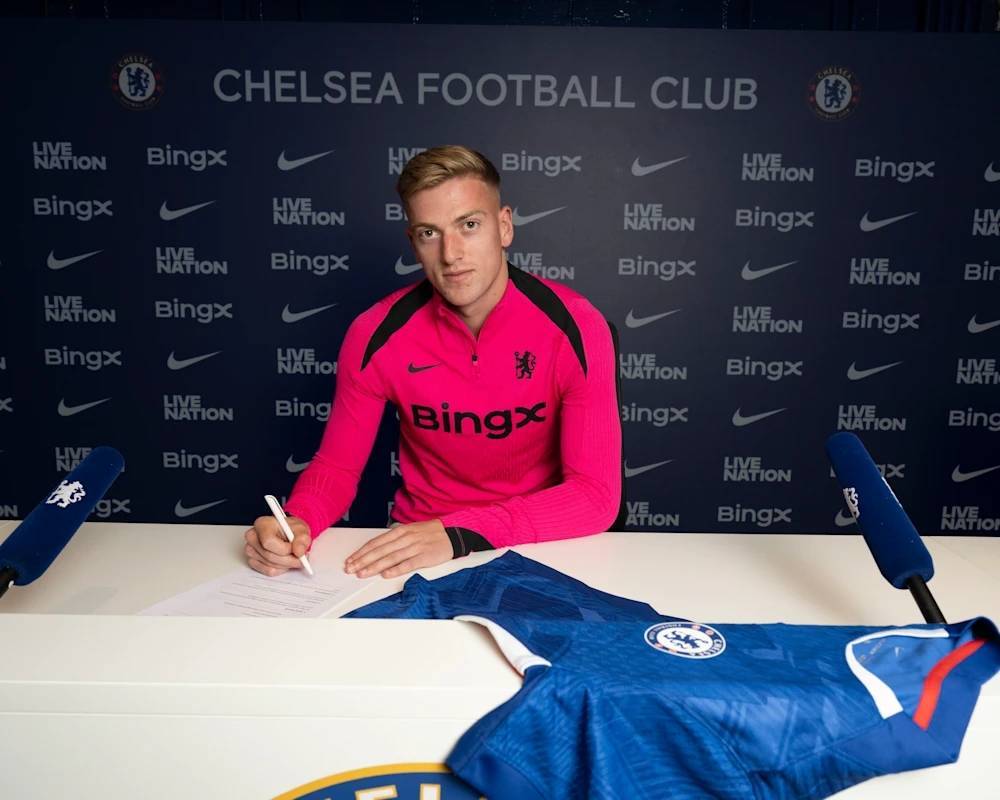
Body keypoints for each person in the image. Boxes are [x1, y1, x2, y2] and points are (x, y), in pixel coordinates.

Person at [245, 145, 621, 579]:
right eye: (429, 233)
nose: (450, 254)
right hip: (417, 547)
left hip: (540, 544)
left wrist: (459, 533)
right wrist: (298, 522)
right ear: (413, 242)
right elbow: (338, 466)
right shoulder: (375, 333)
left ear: (504, 227)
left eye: (469, 225)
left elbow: (595, 496)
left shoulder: (576, 327)